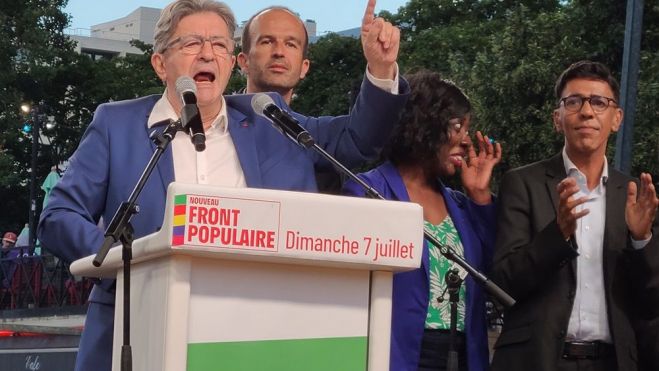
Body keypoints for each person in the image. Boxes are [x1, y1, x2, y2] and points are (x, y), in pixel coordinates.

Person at [37, 0, 407, 370]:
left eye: (218, 45)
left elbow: (359, 140)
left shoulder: (272, 122)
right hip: (135, 331)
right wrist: (126, 262)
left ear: (232, 63)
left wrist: (380, 68)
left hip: (251, 340)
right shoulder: (116, 125)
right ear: (160, 64)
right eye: (191, 43)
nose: (207, 54)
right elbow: (59, 216)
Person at [490, 60, 659, 371]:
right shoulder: (522, 183)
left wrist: (641, 241)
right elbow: (503, 282)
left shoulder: (636, 195)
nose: (586, 112)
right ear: (557, 118)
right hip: (538, 360)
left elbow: (651, 301)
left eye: (599, 102)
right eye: (573, 101)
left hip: (614, 361)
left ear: (616, 119)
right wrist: (558, 234)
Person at [343, 70, 502, 371]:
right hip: (398, 355)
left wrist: (481, 196)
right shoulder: (366, 192)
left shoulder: (461, 205)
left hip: (463, 354)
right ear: (425, 125)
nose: (467, 142)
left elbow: (495, 270)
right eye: (458, 127)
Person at [237, 6, 309, 104]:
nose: (279, 52)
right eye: (267, 42)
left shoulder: (308, 119)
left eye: (290, 44)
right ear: (244, 61)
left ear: (304, 67)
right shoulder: (213, 117)